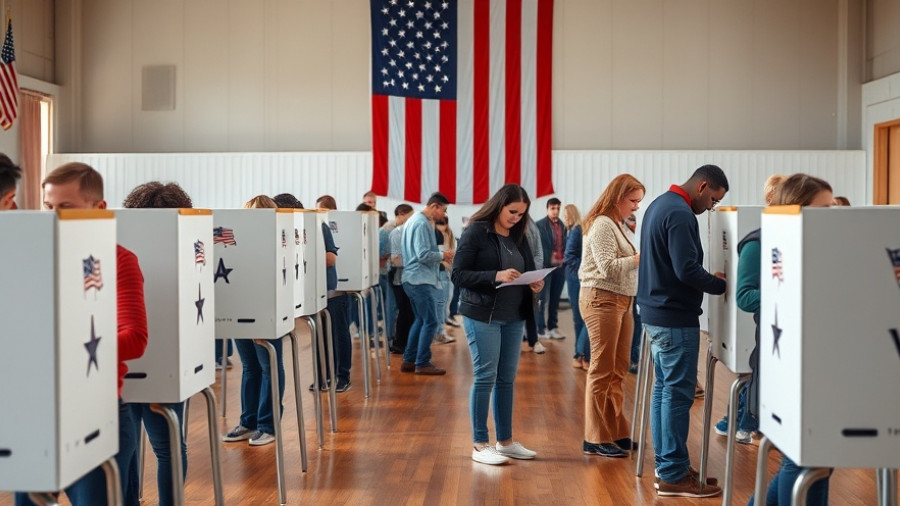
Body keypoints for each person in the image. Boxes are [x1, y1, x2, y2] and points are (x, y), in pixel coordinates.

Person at [17, 162, 149, 506]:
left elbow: (135, 337)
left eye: (66, 207)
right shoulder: (30, 257)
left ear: (99, 208)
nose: (54, 216)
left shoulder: (119, 260)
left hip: (97, 412)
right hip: (37, 415)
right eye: (48, 207)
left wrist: (66, 352)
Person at [637, 164, 728, 498]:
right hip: (674, 318)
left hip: (655, 314)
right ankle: (673, 474)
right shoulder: (680, 213)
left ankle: (669, 467)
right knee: (676, 397)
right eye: (714, 200)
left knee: (665, 393)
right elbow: (686, 269)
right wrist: (719, 284)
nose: (712, 208)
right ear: (703, 186)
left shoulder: (660, 204)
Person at [747, 174, 834, 506]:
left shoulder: (821, 246)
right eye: (823, 207)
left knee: (810, 463)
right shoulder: (765, 243)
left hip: (816, 367)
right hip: (787, 366)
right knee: (804, 463)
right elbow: (746, 296)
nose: (831, 213)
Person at [451, 184, 544, 465]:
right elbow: (458, 274)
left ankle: (504, 442)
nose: (516, 218)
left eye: (521, 214)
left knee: (506, 379)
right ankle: (480, 444)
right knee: (485, 377)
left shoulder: (518, 234)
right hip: (483, 315)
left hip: (514, 315)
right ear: (499, 205)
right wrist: (496, 275)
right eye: (512, 212)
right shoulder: (477, 230)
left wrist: (534, 283)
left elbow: (524, 270)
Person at [121, 182, 192, 506]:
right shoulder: (191, 247)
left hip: (122, 358)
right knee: (168, 447)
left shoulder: (118, 246)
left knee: (124, 448)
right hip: (169, 359)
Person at [713, 174, 786, 444]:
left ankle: (737, 422)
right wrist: (787, 298)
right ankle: (743, 423)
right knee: (758, 377)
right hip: (771, 332)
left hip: (785, 337)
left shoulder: (790, 238)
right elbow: (745, 296)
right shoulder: (757, 242)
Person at [580, 175, 644, 458]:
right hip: (602, 299)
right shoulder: (603, 224)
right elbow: (606, 267)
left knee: (619, 369)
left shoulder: (618, 224)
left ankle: (616, 430)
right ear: (618, 198)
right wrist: (639, 259)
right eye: (633, 201)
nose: (636, 207)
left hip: (622, 302)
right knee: (602, 369)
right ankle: (594, 437)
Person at [222, 195, 287, 447]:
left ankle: (268, 425)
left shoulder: (276, 241)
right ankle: (249, 422)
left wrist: (265, 319)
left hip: (265, 312)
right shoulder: (239, 241)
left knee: (269, 367)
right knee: (250, 367)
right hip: (241, 309)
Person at [400, 192, 454, 375]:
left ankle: (409, 359)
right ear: (435, 207)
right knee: (431, 321)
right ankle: (422, 362)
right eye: (444, 210)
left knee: (421, 320)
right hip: (419, 279)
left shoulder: (414, 220)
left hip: (413, 278)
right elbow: (422, 255)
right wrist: (443, 255)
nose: (444, 215)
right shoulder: (422, 223)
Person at [311, 194, 352, 393]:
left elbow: (330, 259)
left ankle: (343, 376)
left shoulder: (322, 227)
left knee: (339, 335)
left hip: (332, 290)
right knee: (319, 336)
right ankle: (323, 377)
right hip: (314, 290)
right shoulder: (311, 227)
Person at [535, 198, 567, 339]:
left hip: (560, 268)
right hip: (545, 267)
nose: (555, 211)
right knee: (542, 299)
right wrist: (549, 259)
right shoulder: (539, 225)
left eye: (558, 208)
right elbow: (538, 248)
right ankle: (540, 329)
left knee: (555, 299)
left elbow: (565, 245)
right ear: (547, 208)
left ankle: (553, 327)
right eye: (553, 208)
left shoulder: (562, 225)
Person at [563, 204, 588, 370]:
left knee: (582, 318)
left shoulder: (576, 230)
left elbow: (569, 257)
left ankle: (580, 354)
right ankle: (580, 355)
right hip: (575, 277)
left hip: (576, 278)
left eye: (566, 215)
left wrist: (586, 267)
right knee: (580, 318)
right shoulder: (574, 230)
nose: (564, 218)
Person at [389, 205, 416, 354]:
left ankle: (403, 343)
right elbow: (396, 260)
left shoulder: (407, 232)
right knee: (405, 312)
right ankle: (400, 343)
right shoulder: (397, 233)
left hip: (408, 278)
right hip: (400, 279)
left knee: (408, 312)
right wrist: (416, 260)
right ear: (401, 214)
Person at [523, 216, 546, 353]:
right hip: (512, 274)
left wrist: (534, 274)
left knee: (531, 308)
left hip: (530, 275)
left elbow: (538, 252)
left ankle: (533, 340)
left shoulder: (531, 225)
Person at [625, 214, 642, 374]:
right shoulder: (622, 233)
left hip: (641, 284)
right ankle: (633, 359)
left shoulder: (641, 231)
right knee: (635, 325)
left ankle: (637, 359)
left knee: (639, 324)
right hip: (629, 285)